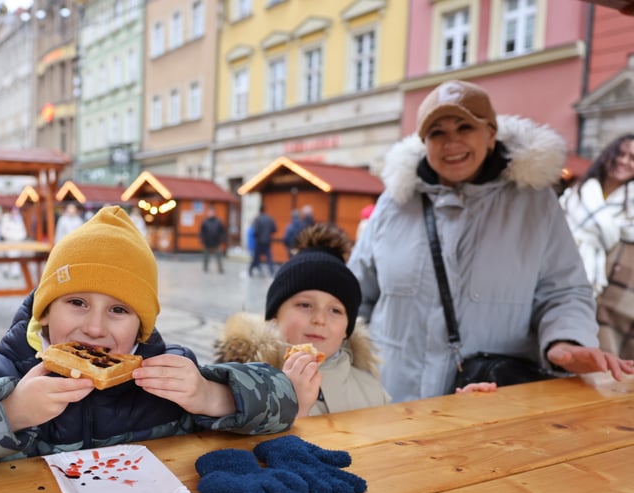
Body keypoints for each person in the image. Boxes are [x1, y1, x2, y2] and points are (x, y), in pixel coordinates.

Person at [0, 205, 298, 483]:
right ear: (44, 311)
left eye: (119, 310)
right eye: (77, 303)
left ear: (142, 327)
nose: (96, 328)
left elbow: (283, 401)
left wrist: (211, 394)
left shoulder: (165, 380)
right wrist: (8, 413)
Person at [347, 79, 634, 403]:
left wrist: (565, 340)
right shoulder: (394, 203)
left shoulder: (534, 203)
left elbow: (564, 291)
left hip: (486, 403)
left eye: (464, 127)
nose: (451, 142)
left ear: (490, 133)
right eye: (437, 132)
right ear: (423, 142)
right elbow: (355, 293)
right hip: (391, 398)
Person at [215, 223, 390, 417]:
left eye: (335, 310)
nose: (319, 319)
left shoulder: (372, 393)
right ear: (274, 315)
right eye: (305, 305)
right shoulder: (240, 391)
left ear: (346, 330)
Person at [560, 134, 634, 297]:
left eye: (632, 158)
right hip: (551, 264)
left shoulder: (631, 212)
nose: (623, 161)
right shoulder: (577, 193)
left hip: (608, 291)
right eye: (620, 154)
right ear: (608, 155)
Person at [0, 205, 28, 278]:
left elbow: (23, 233)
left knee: (16, 259)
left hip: (17, 243)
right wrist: (12, 236)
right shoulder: (6, 219)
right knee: (7, 258)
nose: (15, 213)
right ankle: (6, 272)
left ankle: (15, 273)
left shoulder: (19, 220)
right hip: (8, 242)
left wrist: (17, 237)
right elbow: (3, 231)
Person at [248, 204, 277, 277]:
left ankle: (250, 270)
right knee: (269, 257)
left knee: (256, 257)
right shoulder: (269, 218)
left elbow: (255, 231)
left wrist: (257, 237)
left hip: (259, 241)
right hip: (267, 241)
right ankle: (271, 270)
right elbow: (274, 229)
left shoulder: (257, 219)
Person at [199, 206, 226, 273]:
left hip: (216, 241)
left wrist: (222, 239)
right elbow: (202, 231)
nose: (210, 214)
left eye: (212, 212)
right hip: (207, 241)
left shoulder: (218, 221)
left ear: (214, 213)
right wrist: (202, 239)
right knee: (206, 256)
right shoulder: (205, 222)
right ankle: (205, 268)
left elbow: (222, 231)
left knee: (218, 256)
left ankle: (220, 269)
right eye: (209, 212)